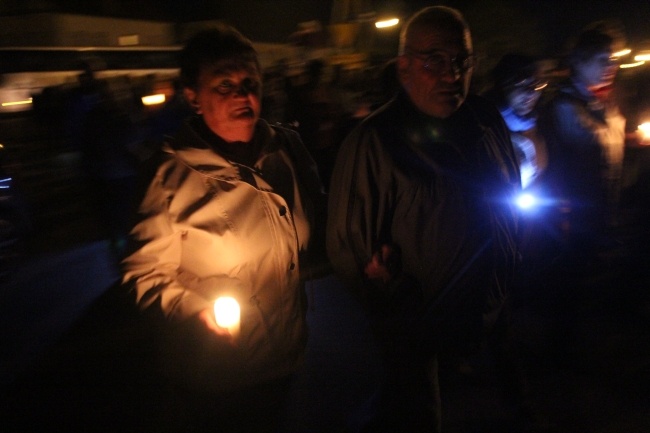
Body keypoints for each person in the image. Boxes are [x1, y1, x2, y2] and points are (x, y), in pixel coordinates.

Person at [121, 25, 324, 433]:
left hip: (285, 358)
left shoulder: (286, 152)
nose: (243, 96)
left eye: (251, 83)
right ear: (193, 96)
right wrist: (199, 311)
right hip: (215, 374)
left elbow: (315, 227)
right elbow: (143, 275)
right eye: (225, 85)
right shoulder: (169, 175)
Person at [326, 6, 520, 432]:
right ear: (405, 67)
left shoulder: (487, 123)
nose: (452, 75)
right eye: (436, 60)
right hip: (417, 339)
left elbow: (510, 195)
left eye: (463, 61)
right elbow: (350, 249)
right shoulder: (374, 143)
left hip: (488, 318)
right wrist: (395, 298)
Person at [539, 22, 626, 264]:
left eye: (612, 59)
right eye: (602, 60)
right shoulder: (562, 108)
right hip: (573, 230)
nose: (611, 66)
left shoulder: (605, 104)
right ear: (579, 62)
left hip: (602, 223)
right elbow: (552, 170)